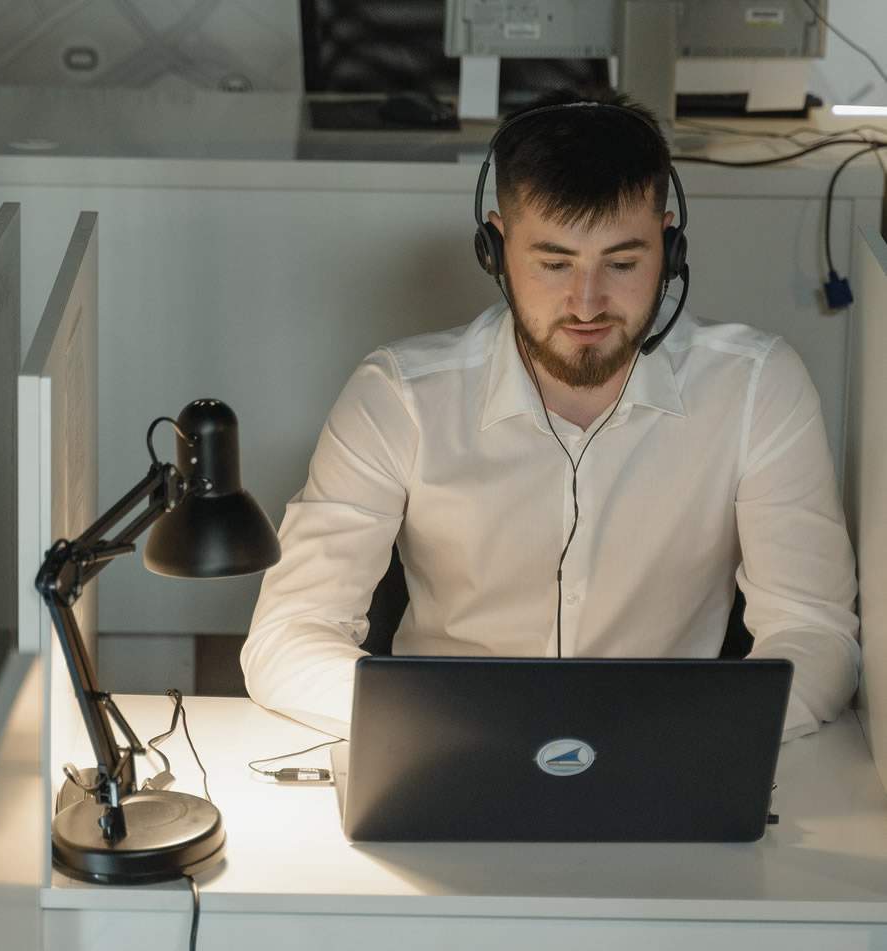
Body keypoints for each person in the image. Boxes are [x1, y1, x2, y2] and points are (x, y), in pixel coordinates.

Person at [241, 91, 859, 743]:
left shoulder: (757, 387)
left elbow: (814, 631)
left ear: (669, 243)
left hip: (668, 759)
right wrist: (434, 726)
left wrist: (698, 733)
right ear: (495, 245)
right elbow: (286, 636)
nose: (587, 303)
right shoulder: (400, 396)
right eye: (554, 263)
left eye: (622, 263)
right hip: (449, 756)